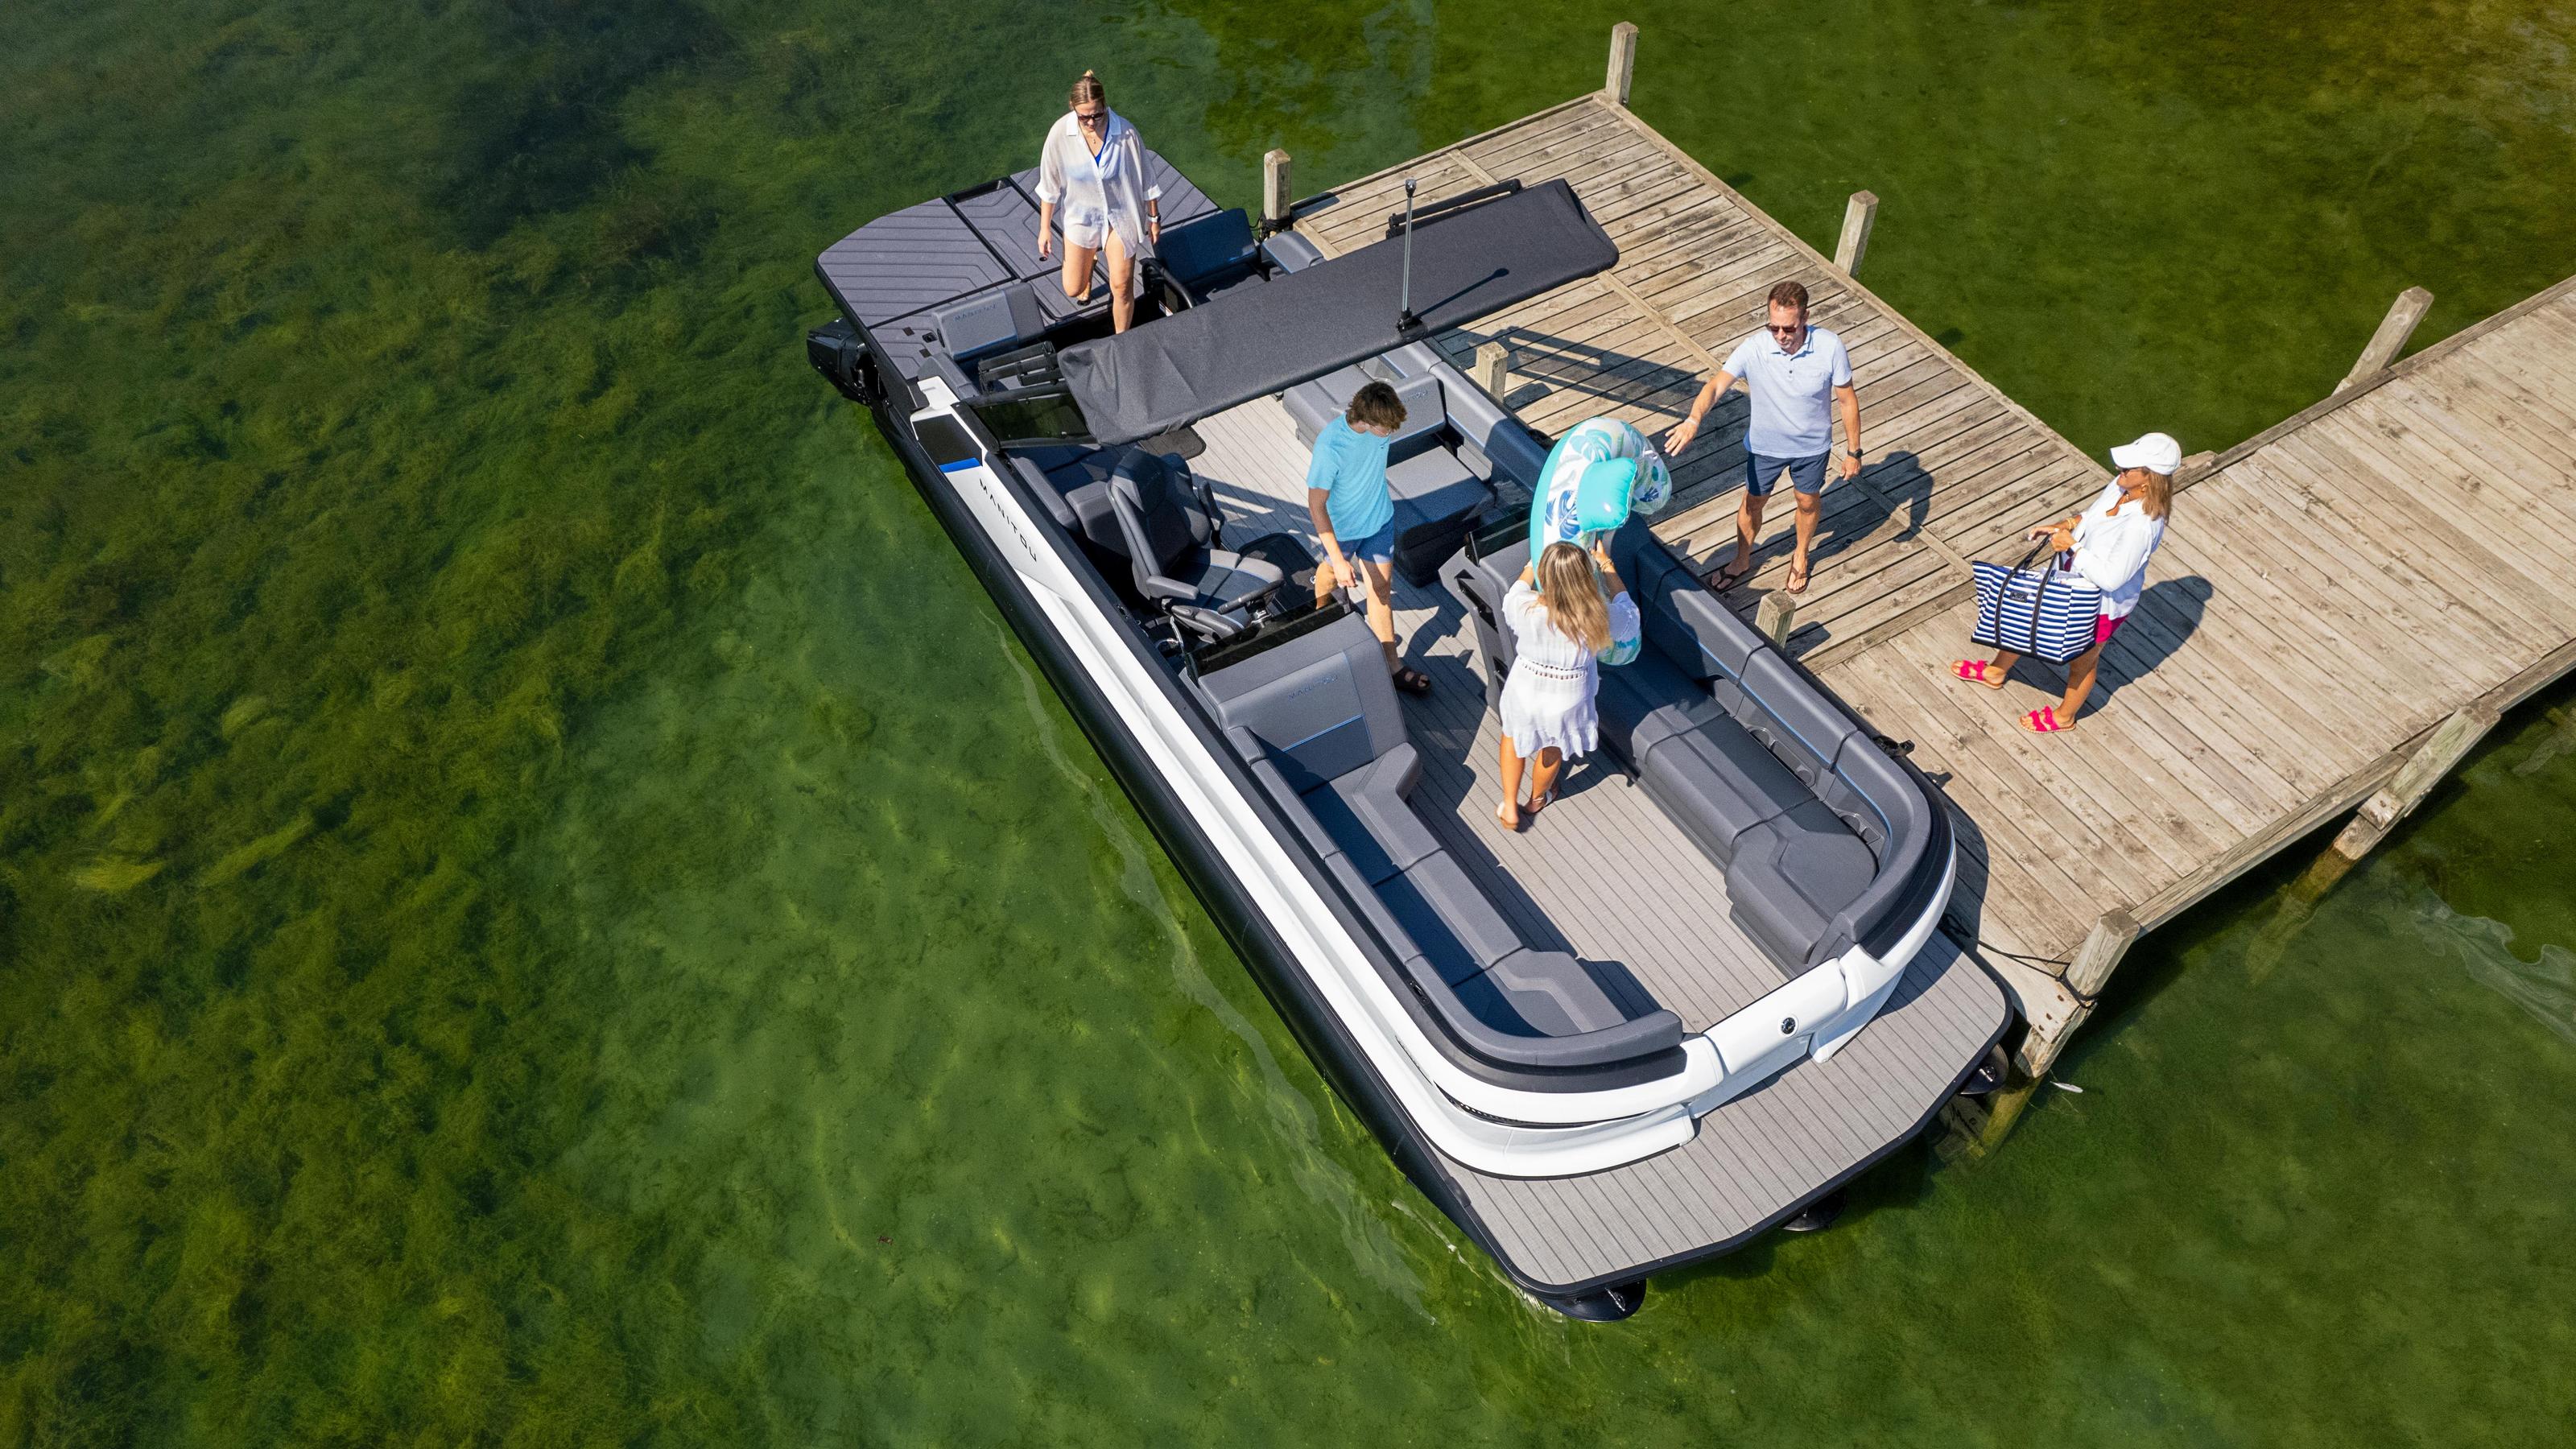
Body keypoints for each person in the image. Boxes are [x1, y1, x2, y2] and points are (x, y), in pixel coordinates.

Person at [1952, 431, 2179, 734]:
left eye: (2127, 468)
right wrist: (2064, 526)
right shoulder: (2121, 486)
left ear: (2149, 479)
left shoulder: (2142, 525)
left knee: (2083, 661)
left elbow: (2111, 579)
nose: (2118, 471)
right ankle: (1996, 671)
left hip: (2100, 604)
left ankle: (2064, 717)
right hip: (2066, 578)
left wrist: (2072, 546)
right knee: (2022, 621)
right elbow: (2089, 516)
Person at [1659, 279, 1861, 596]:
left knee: (1807, 502)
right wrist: (1693, 419)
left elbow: (1847, 399)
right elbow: (1715, 386)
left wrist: (1854, 451)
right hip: (1765, 448)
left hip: (1811, 448)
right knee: (1752, 502)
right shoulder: (1754, 348)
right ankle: (1741, 560)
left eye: (1789, 329)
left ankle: (1801, 554)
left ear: (1805, 317)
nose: (1781, 336)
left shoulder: (1830, 347)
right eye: (1774, 327)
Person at [1496, 540, 1641, 831]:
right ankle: (1536, 799)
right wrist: (1606, 564)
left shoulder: (1524, 608)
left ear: (1545, 575)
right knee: (1551, 748)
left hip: (1524, 689)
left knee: (1513, 738)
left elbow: (1515, 592)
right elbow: (1630, 615)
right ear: (1584, 578)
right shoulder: (1599, 616)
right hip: (1567, 697)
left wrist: (1530, 564)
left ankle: (1510, 805)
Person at [1307, 382, 1432, 696]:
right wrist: (1338, 558)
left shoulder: (1380, 430)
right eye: (1386, 428)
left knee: (1381, 590)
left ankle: (1393, 666)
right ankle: (1322, 616)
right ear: (1365, 420)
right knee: (1331, 576)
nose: (1391, 433)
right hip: (1344, 530)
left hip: (1378, 521)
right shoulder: (1330, 448)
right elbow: (1316, 505)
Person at [1034, 71, 1159, 334]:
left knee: (1122, 285)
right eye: (1084, 117)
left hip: (1120, 217)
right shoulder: (1060, 133)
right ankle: (1089, 263)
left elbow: (1147, 177)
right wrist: (1045, 228)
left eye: (1097, 115)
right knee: (1073, 288)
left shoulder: (1125, 132)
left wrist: (1154, 218)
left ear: (1105, 106)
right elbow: (1049, 184)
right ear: (1073, 109)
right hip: (1082, 218)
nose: (1091, 122)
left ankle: (1121, 340)